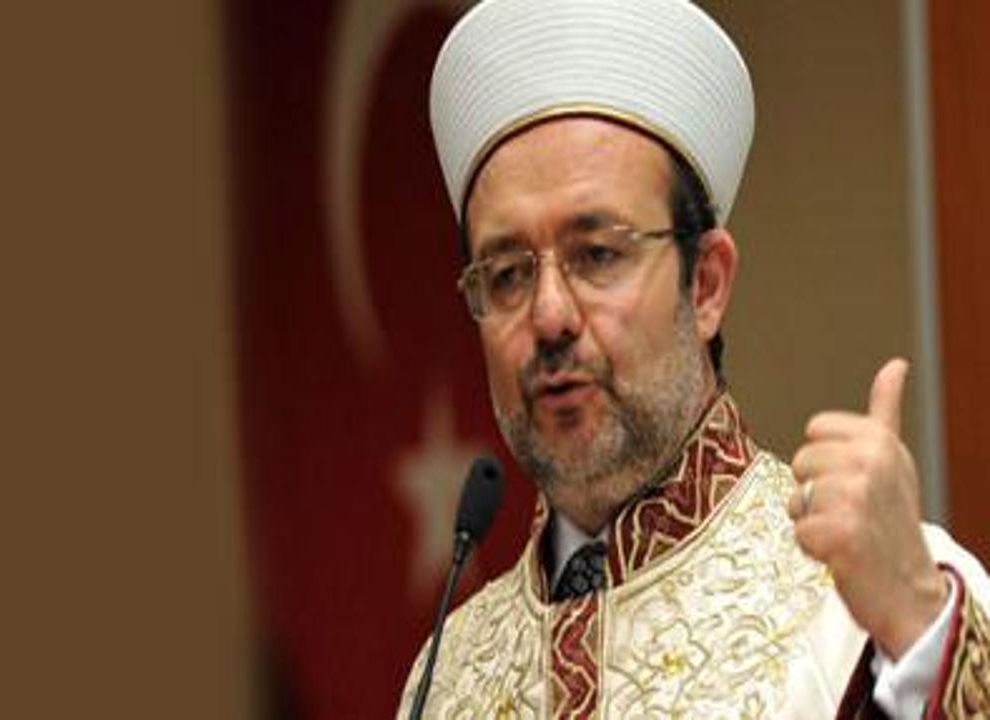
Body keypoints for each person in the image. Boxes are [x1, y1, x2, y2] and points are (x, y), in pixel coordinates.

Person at [397, 0, 990, 717]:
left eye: (598, 255)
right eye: (508, 274)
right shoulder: (448, 673)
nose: (549, 315)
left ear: (705, 285)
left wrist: (918, 627)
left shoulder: (881, 603)